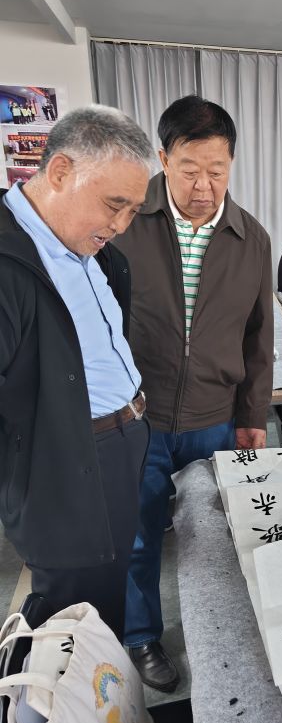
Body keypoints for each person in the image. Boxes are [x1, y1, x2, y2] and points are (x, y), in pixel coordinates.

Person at [116, 95, 273, 691]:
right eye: (189, 171)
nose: (204, 187)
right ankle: (140, 635)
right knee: (138, 537)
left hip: (215, 418)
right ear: (163, 159)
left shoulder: (250, 238)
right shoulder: (127, 223)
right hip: (138, 418)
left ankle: (221, 635)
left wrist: (253, 416)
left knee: (215, 540)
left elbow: (259, 336)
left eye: (217, 171)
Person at [0, 106, 152, 639]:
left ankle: (107, 677)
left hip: (121, 443)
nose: (121, 225)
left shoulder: (87, 247)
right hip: (64, 465)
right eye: (114, 205)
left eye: (133, 210)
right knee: (71, 616)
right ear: (61, 171)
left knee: (108, 587)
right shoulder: (9, 262)